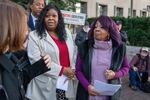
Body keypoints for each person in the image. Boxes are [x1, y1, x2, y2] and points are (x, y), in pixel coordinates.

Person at [0, 1, 51, 100]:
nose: (27, 31)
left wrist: (40, 66)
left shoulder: (10, 56)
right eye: (23, 25)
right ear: (10, 27)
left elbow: (18, 80)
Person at [26, 3, 77, 100]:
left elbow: (73, 53)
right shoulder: (34, 35)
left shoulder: (67, 32)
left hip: (65, 83)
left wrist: (72, 70)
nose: (51, 18)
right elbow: (36, 61)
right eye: (47, 16)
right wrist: (63, 70)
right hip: (44, 86)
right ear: (42, 18)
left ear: (59, 18)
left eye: (54, 16)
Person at [75, 16, 130, 100]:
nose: (97, 29)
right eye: (95, 26)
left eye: (102, 27)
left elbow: (126, 67)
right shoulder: (84, 46)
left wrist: (115, 74)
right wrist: (87, 86)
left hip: (110, 96)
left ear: (109, 31)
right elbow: (78, 71)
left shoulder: (120, 48)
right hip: (87, 94)